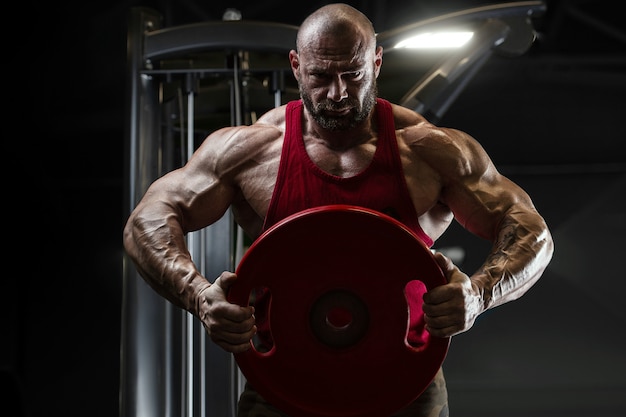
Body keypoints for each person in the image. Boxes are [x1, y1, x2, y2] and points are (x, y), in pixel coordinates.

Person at [123, 3, 554, 416]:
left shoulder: (430, 150)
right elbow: (146, 222)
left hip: (404, 383)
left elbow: (531, 231)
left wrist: (477, 297)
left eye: (353, 74)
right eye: (320, 76)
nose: (339, 93)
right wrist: (200, 297)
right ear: (296, 67)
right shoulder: (251, 151)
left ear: (377, 62)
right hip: (282, 381)